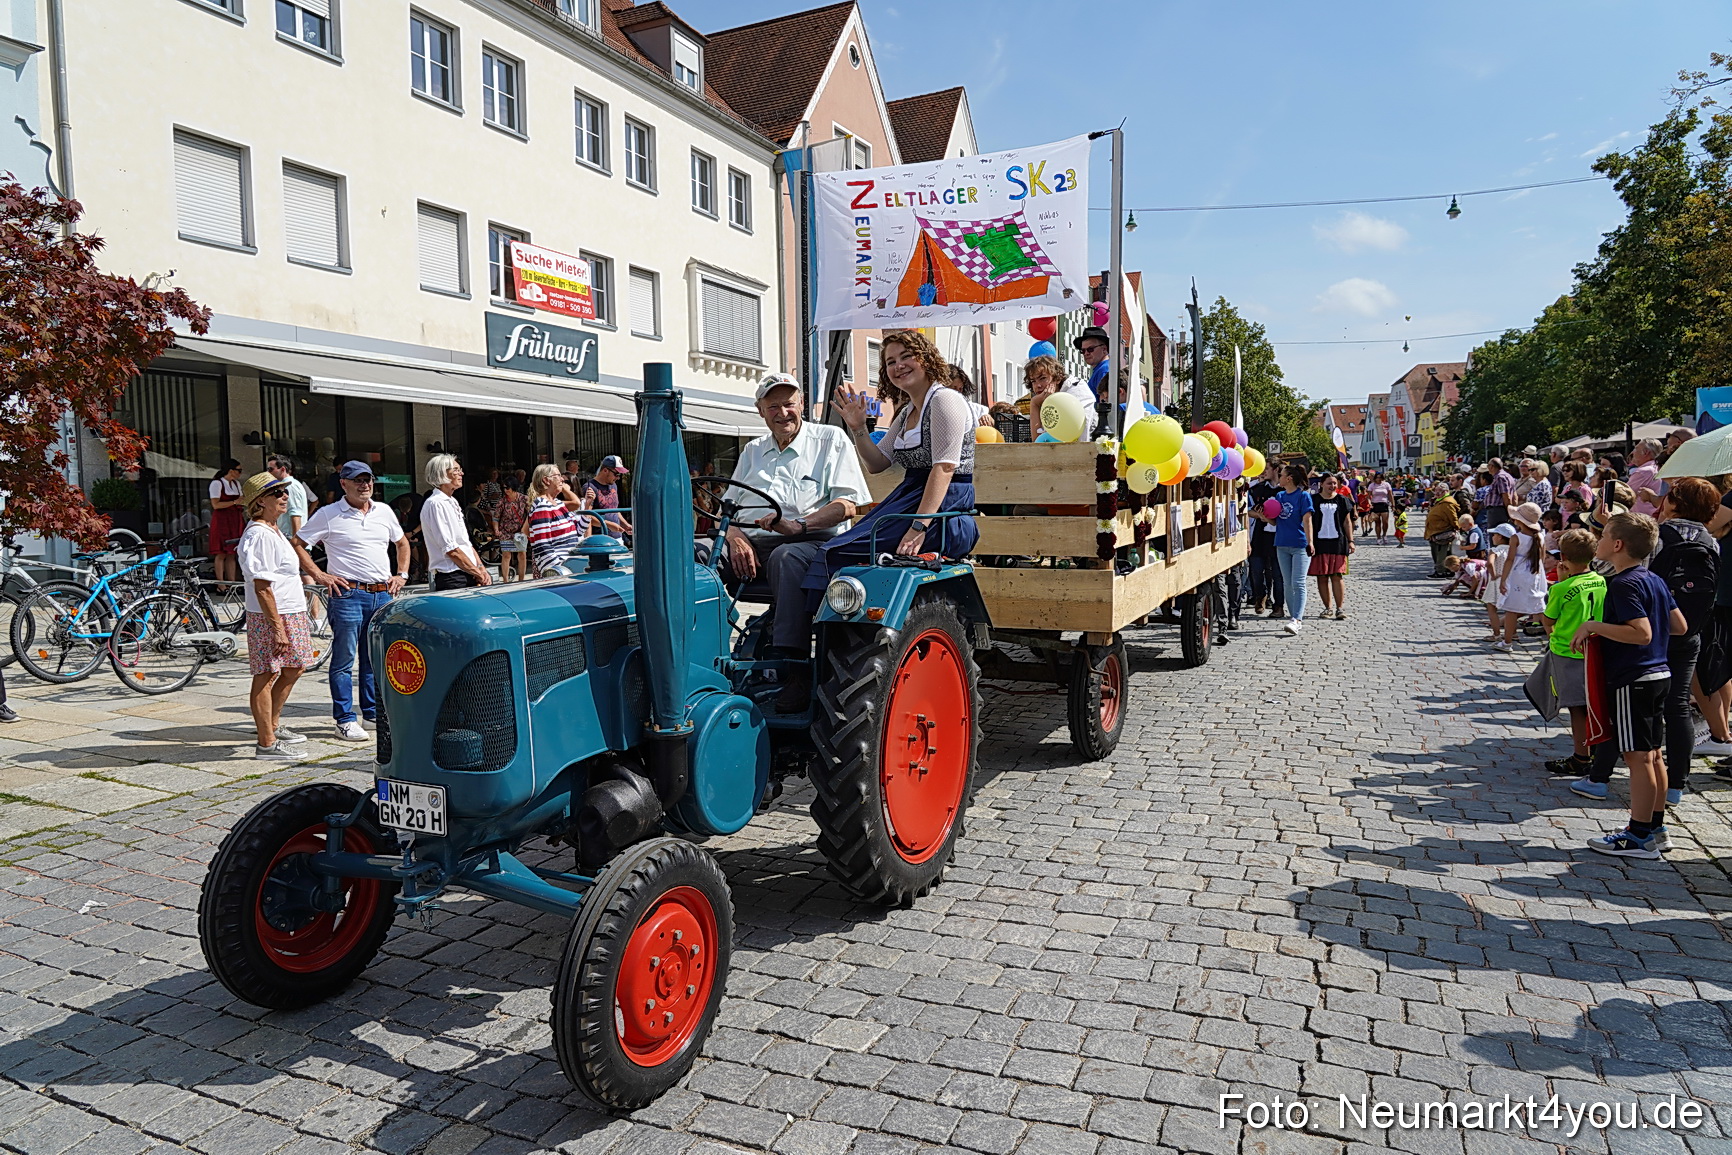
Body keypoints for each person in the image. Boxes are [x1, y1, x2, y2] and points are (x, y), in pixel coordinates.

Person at [806, 330, 981, 705]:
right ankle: (820, 647)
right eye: (889, 361)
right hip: (910, 495)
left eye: (906, 356)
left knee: (844, 552)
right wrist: (857, 427)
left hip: (945, 506)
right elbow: (876, 463)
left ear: (925, 358)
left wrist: (920, 526)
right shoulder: (905, 413)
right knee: (836, 549)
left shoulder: (946, 400)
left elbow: (945, 468)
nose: (898, 366)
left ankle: (826, 645)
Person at [722, 373, 871, 686]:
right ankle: (704, 647)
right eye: (772, 406)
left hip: (811, 544)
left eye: (789, 404)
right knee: (693, 554)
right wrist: (734, 538)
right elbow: (728, 508)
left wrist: (797, 525)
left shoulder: (830, 440)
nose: (782, 412)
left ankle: (794, 669)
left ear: (801, 404)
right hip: (748, 544)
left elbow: (848, 505)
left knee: (786, 556)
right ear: (760, 410)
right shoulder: (752, 450)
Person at [1570, 513, 1686, 858]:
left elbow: (1642, 633)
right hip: (1660, 673)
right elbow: (1678, 625)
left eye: (1603, 535)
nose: (1599, 540)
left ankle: (1638, 836)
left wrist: (1594, 625)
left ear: (1617, 545)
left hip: (1633, 677)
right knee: (1653, 756)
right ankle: (1656, 826)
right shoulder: (1654, 579)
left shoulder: (1621, 584)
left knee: (1637, 758)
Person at [292, 460, 409, 742]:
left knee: (374, 659)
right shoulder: (329, 514)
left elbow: (402, 542)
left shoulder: (384, 511)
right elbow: (297, 542)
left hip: (382, 593)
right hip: (348, 594)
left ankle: (370, 713)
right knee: (344, 659)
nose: (364, 484)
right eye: (357, 480)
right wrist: (320, 575)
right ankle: (344, 719)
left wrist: (402, 574)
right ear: (343, 484)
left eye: (368, 479)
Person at [1646, 478, 1720, 805]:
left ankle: (1636, 768)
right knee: (1677, 705)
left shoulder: (1657, 537)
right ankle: (1677, 782)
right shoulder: (1711, 541)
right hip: (1689, 632)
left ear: (1674, 503)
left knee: (1642, 701)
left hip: (1651, 630)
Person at [237, 472, 313, 760]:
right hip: (271, 615)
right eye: (277, 492)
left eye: (284, 491)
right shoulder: (258, 534)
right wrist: (277, 628)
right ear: (260, 501)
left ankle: (273, 725)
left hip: (289, 611)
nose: (284, 496)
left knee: (295, 667)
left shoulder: (273, 529)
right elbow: (263, 587)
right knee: (266, 673)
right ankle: (266, 743)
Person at [1541, 530, 1607, 779]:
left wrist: (1560, 581)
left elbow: (1548, 620)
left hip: (1567, 651)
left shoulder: (1563, 587)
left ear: (1564, 557)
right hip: (1594, 649)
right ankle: (1596, 747)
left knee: (1577, 708)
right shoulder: (1601, 581)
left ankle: (1581, 756)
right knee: (1593, 704)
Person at [420, 454, 492, 591]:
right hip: (453, 576)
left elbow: (465, 542)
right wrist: (478, 573)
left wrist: (481, 568)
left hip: (467, 572)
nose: (461, 473)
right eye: (456, 470)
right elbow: (450, 549)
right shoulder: (436, 504)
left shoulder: (452, 501)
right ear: (443, 473)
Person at [1495, 502, 1549, 652]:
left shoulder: (1516, 537)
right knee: (1540, 607)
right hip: (1535, 573)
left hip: (1518, 574)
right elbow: (1542, 558)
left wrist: (1504, 579)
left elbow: (1510, 559)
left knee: (1511, 609)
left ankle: (1507, 642)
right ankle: (1552, 640)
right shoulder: (1540, 537)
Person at [1273, 463, 1315, 635]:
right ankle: (1293, 617)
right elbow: (1275, 521)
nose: (1279, 477)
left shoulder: (1303, 496)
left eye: (1281, 475)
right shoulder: (1279, 496)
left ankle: (1297, 619)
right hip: (1281, 544)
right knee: (1287, 584)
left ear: (1289, 478)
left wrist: (1310, 542)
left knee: (1298, 582)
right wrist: (1263, 516)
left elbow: (1307, 521)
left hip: (1299, 545)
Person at [527, 463, 588, 576]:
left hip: (570, 566)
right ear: (546, 480)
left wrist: (587, 509)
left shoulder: (559, 504)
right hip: (561, 571)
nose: (562, 479)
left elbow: (578, 531)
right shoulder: (542, 506)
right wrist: (558, 570)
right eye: (558, 476)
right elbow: (542, 546)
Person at [1308, 473, 1354, 620]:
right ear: (1321, 484)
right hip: (1319, 543)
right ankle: (1327, 608)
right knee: (1321, 577)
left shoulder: (1342, 500)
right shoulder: (1313, 500)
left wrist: (1351, 540)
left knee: (1337, 575)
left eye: (1334, 483)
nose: (1332, 486)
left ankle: (1340, 608)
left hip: (1338, 543)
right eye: (1329, 483)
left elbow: (1347, 522)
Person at [1024, 355, 1097, 441]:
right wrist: (1034, 403)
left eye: (1043, 378)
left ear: (1057, 378)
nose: (1038, 385)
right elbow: (1038, 442)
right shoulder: (1043, 400)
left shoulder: (1077, 390)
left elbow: (1082, 435)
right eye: (1033, 381)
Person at [1246, 461, 1285, 617]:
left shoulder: (1284, 491)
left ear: (1275, 469)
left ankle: (1279, 605)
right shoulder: (1257, 490)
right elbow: (1248, 511)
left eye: (1266, 468)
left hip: (1279, 536)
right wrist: (1261, 515)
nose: (1263, 472)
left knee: (1277, 573)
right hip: (1260, 536)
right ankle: (1260, 596)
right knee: (1256, 570)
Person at [208, 459, 245, 583]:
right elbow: (216, 505)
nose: (240, 473)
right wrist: (234, 502)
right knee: (221, 553)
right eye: (238, 470)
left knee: (232, 553)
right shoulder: (217, 484)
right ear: (231, 471)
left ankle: (232, 582)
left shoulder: (236, 484)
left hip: (234, 519)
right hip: (222, 520)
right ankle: (221, 583)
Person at [265, 453, 316, 539]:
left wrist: (296, 544)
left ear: (283, 469)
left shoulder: (290, 486)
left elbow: (296, 515)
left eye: (271, 469)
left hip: (291, 540)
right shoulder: (287, 485)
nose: (268, 472)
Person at [583, 456, 633, 540]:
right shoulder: (590, 487)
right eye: (616, 474)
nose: (618, 478)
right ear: (605, 470)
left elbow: (614, 509)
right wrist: (607, 524)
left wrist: (625, 525)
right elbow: (587, 516)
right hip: (600, 539)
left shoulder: (613, 485)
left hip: (617, 537)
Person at [494, 479, 530, 582]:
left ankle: (521, 579)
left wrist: (525, 528)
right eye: (504, 488)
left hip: (521, 531)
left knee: (522, 554)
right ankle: (505, 580)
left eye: (507, 488)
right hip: (505, 531)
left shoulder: (524, 499)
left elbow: (530, 514)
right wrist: (496, 529)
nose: (505, 490)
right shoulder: (502, 501)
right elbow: (496, 517)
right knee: (506, 554)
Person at [1424, 483, 1460, 577]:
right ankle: (1441, 570)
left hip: (1442, 531)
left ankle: (1441, 571)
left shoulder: (1447, 502)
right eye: (1436, 491)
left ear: (1446, 491)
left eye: (1440, 491)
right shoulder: (1439, 500)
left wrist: (1457, 527)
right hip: (1435, 531)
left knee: (1441, 553)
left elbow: (1453, 518)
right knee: (1436, 552)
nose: (1437, 493)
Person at [1482, 525, 1512, 637]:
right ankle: (1512, 633)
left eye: (1494, 535)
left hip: (1497, 581)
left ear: (1500, 537)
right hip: (1510, 580)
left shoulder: (1496, 550)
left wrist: (1494, 575)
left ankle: (1496, 634)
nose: (1493, 537)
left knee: (1491, 607)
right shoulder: (1513, 550)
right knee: (1510, 609)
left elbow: (1489, 563)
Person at [1627, 438, 1664, 516]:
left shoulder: (1644, 471)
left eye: (1636, 449)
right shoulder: (1658, 467)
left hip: (1640, 518)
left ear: (1646, 453)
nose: (1632, 452)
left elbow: (1624, 494)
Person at [1482, 457, 1516, 527]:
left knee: (1496, 534)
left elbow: (1506, 496)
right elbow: (1514, 495)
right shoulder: (1508, 476)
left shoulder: (1500, 477)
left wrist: (1509, 512)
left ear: (1491, 466)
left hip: (1497, 511)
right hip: (1499, 511)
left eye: (1488, 466)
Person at [1366, 472, 1393, 542]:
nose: (1379, 479)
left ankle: (1384, 534)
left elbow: (1390, 495)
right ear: (1375, 478)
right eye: (1377, 477)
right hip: (1375, 504)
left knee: (1385, 522)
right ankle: (1378, 537)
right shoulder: (1372, 485)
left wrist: (1393, 505)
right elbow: (1368, 496)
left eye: (1380, 477)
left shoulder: (1386, 484)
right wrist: (1370, 504)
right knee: (1377, 522)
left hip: (1384, 504)